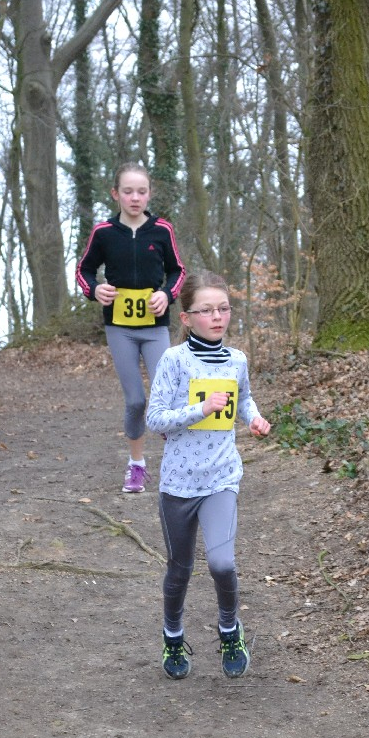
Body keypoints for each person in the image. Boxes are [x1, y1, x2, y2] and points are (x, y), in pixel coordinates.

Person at [145, 270, 271, 681]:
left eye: (223, 308)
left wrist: (253, 419)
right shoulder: (174, 360)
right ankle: (173, 636)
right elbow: (154, 418)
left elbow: (244, 399)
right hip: (179, 482)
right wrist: (200, 409)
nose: (217, 317)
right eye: (206, 310)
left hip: (221, 477)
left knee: (221, 562)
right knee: (179, 568)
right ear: (186, 318)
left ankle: (230, 630)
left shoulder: (237, 360)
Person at [76, 163, 187, 492]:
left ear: (149, 194)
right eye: (128, 191)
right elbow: (84, 270)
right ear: (116, 194)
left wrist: (167, 295)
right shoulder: (104, 232)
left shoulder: (162, 230)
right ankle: (136, 465)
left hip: (155, 327)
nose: (135, 197)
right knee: (136, 401)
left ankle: (179, 461)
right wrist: (94, 289)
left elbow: (178, 271)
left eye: (141, 191)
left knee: (167, 395)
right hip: (119, 328)